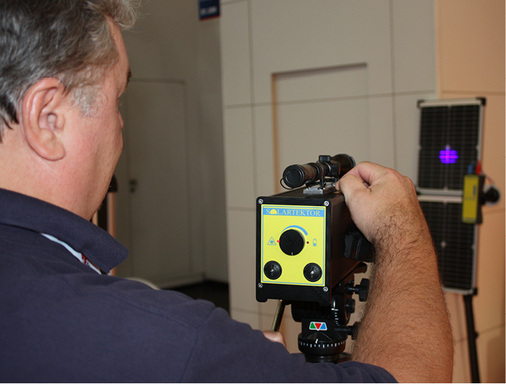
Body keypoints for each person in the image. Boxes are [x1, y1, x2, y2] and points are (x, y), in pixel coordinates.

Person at [0, 0, 453, 382]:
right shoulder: (163, 338)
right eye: (117, 99)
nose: (120, 126)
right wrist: (402, 227)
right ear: (48, 119)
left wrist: (232, 362)